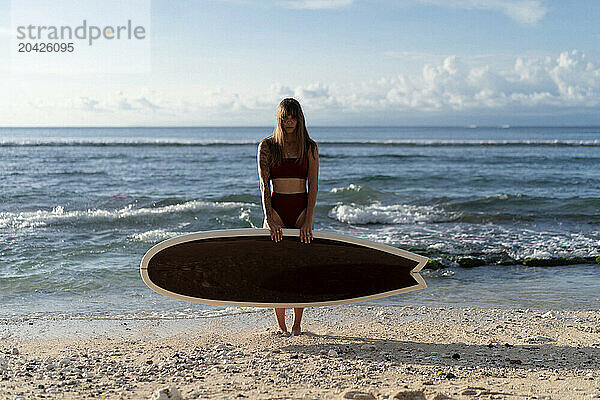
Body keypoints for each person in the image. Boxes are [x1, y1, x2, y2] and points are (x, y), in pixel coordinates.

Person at [257, 98, 319, 336]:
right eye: (285, 117)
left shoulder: (310, 147)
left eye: (293, 117)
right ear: (279, 119)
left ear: (299, 118)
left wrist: (309, 218)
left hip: (301, 209)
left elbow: (313, 185)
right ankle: (281, 325)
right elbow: (264, 185)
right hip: (277, 210)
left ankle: (297, 324)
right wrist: (269, 216)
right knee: (277, 268)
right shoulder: (267, 146)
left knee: (299, 268)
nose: (289, 121)